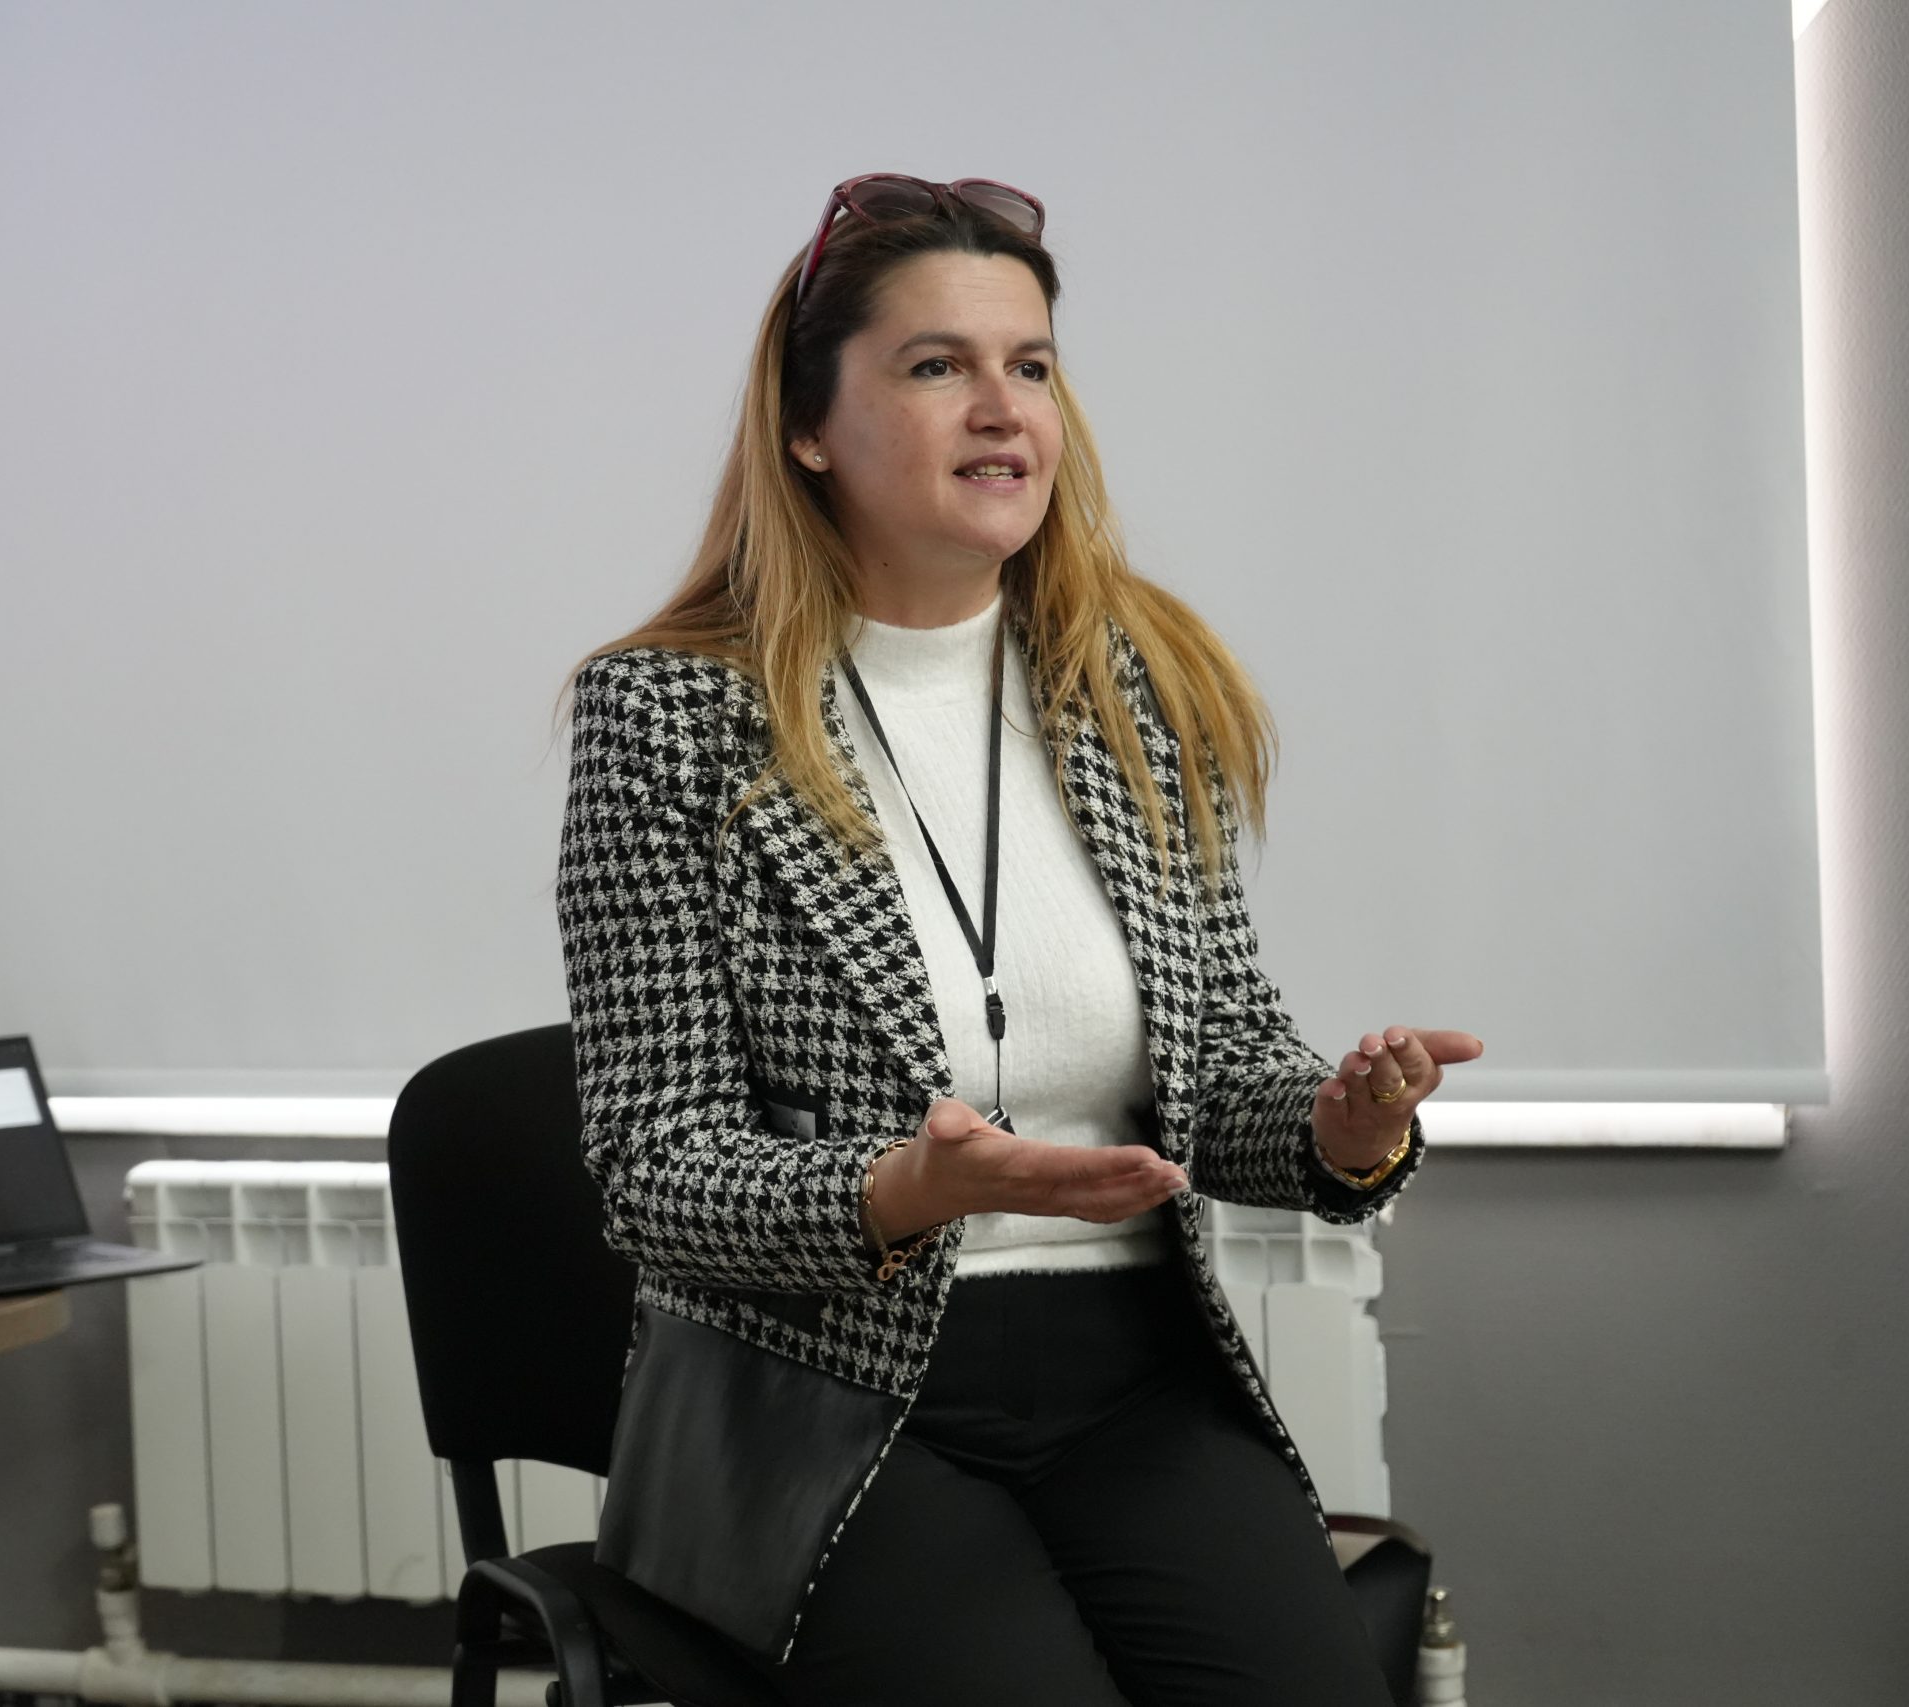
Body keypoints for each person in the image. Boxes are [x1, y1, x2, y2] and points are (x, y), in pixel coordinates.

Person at [554, 173, 1483, 1707]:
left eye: (1031, 365)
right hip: (824, 1404)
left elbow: (1219, 1072)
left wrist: (1338, 1127)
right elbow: (654, 1172)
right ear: (807, 425)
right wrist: (904, 1190)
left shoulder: (1137, 689)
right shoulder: (671, 717)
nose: (1003, 409)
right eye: (938, 365)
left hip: (1133, 1369)